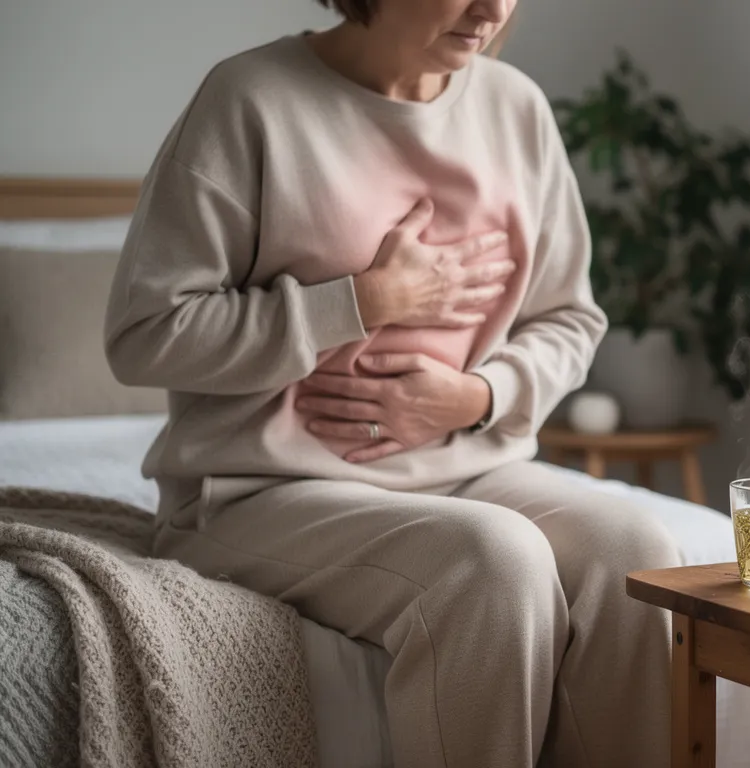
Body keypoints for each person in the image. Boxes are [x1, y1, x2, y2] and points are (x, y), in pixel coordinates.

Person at [103, 1, 683, 765]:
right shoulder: (251, 100)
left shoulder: (516, 108)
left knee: (636, 550)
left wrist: (478, 398)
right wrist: (363, 302)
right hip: (258, 488)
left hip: (467, 468)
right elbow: (145, 335)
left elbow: (570, 317)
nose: (493, 8)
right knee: (496, 561)